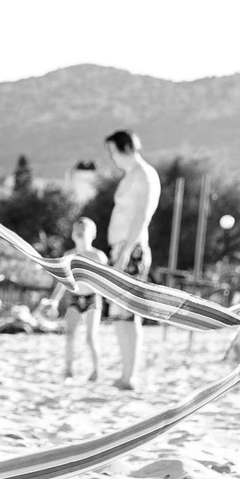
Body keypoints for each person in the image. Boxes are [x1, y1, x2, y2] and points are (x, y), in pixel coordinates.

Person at [103, 131, 160, 390]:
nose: (112, 157)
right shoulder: (132, 175)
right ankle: (126, 373)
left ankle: (130, 375)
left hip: (131, 249)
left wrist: (126, 252)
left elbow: (142, 215)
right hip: (121, 248)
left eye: (113, 151)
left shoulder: (144, 174)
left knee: (128, 313)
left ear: (125, 147)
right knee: (119, 314)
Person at [45, 216, 111, 380]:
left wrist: (111, 297)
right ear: (72, 234)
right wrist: (54, 301)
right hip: (75, 297)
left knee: (90, 337)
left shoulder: (98, 256)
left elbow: (107, 280)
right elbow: (63, 281)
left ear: (92, 234)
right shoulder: (69, 255)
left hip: (92, 298)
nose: (79, 232)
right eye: (76, 229)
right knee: (69, 335)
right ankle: (68, 370)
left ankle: (96, 371)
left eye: (83, 229)